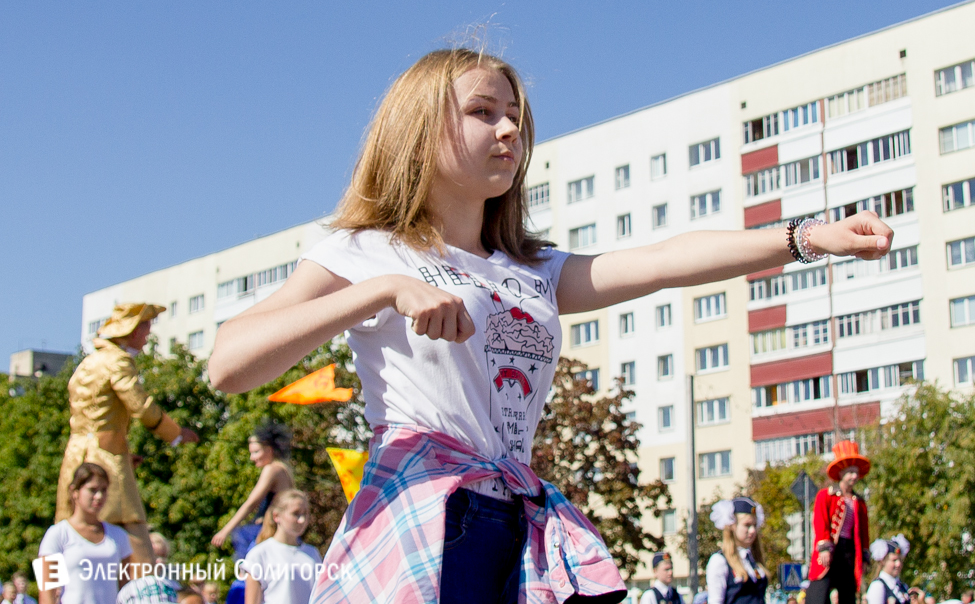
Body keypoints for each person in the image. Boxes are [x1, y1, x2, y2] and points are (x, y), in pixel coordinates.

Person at [206, 47, 894, 604]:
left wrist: (809, 238)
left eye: (514, 116)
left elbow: (661, 260)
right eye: (482, 112)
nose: (509, 130)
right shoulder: (365, 250)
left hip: (517, 510)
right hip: (425, 513)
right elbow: (228, 362)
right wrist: (381, 291)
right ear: (417, 129)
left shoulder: (529, 269)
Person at [55, 303, 198, 569]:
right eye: (145, 328)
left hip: (76, 456)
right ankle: (145, 588)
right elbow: (140, 405)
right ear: (130, 330)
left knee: (67, 524)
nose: (147, 335)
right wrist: (176, 434)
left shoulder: (88, 362)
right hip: (106, 455)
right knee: (131, 527)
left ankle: (55, 589)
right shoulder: (118, 361)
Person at [38, 463, 134, 604]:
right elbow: (47, 592)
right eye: (92, 490)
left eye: (103, 490)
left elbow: (126, 588)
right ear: (74, 491)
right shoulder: (58, 534)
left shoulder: (118, 535)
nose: (99, 496)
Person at [211, 421, 295, 557]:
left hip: (271, 532)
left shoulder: (272, 469)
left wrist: (225, 531)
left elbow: (251, 504)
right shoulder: (284, 469)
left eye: (256, 452)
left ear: (269, 450)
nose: (252, 458)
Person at [806, 440, 872, 604]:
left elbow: (863, 531)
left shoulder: (859, 502)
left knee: (848, 591)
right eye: (850, 472)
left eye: (856, 473)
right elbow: (821, 522)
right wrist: (824, 547)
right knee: (819, 590)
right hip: (829, 549)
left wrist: (864, 555)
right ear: (841, 473)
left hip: (848, 551)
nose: (854, 476)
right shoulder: (826, 495)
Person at [239, 490, 321, 604]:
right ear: (276, 516)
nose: (302, 520)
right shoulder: (259, 554)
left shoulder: (313, 553)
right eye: (295, 513)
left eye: (305, 513)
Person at [705, 497, 768, 604]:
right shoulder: (720, 561)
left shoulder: (753, 560)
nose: (752, 531)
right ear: (732, 526)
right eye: (747, 525)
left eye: (754, 525)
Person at [865, 535, 911, 604]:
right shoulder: (878, 586)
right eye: (894, 560)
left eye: (900, 560)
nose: (898, 564)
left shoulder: (903, 587)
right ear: (883, 561)